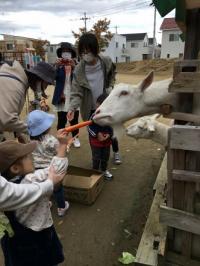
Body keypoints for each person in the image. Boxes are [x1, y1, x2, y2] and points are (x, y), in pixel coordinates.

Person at [0, 131, 69, 266]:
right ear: (15, 168)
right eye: (27, 157)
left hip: (17, 239)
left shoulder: (6, 189)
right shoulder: (30, 180)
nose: (31, 157)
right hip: (38, 237)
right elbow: (57, 169)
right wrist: (62, 145)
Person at [67, 33, 122, 164]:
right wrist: (72, 107)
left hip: (106, 104)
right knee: (94, 134)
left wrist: (110, 86)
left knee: (110, 130)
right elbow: (76, 92)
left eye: (89, 51)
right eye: (83, 52)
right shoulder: (78, 70)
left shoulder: (106, 61)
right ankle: (96, 159)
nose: (86, 54)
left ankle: (116, 152)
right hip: (90, 107)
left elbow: (112, 74)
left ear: (95, 49)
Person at [27, 110, 70, 217]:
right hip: (51, 169)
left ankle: (46, 205)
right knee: (57, 188)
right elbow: (61, 151)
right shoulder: (51, 140)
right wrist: (67, 144)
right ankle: (61, 207)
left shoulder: (29, 139)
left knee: (44, 189)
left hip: (36, 169)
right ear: (46, 127)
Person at [0, 60, 55, 141]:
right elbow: (7, 120)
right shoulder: (15, 86)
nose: (45, 88)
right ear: (40, 80)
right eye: (46, 84)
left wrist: (18, 134)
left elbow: (10, 112)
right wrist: (35, 131)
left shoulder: (18, 80)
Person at [52, 42, 81, 148]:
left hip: (73, 96)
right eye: (64, 52)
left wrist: (75, 67)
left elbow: (81, 79)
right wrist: (55, 66)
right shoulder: (58, 65)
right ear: (61, 53)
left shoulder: (77, 65)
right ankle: (61, 139)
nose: (66, 53)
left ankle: (75, 138)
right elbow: (52, 78)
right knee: (61, 120)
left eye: (68, 52)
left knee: (74, 120)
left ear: (71, 53)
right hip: (61, 96)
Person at [88, 94, 113, 180]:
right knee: (96, 157)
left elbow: (113, 126)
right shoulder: (94, 115)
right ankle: (95, 172)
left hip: (107, 142)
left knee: (105, 156)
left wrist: (109, 134)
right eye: (98, 105)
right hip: (96, 142)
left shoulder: (111, 116)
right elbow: (89, 127)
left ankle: (104, 170)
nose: (99, 108)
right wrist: (97, 134)